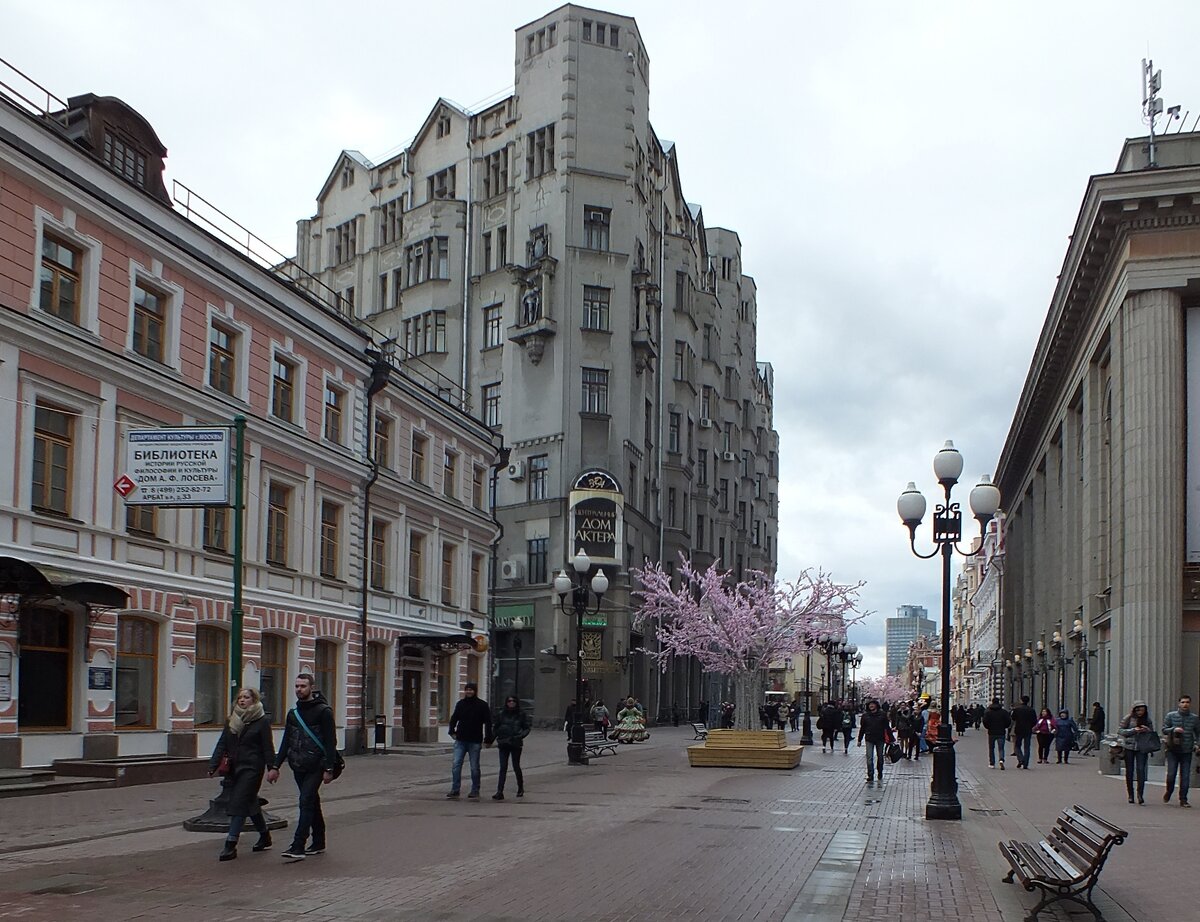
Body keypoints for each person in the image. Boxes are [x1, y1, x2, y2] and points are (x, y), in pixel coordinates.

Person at [267, 674, 337, 860]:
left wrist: (329, 768)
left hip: (316, 765)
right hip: (297, 764)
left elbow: (331, 742)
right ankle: (319, 842)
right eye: (297, 686)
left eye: (303, 686)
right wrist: (276, 765)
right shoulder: (293, 714)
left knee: (305, 801)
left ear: (312, 687)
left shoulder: (324, 712)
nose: (299, 689)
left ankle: (298, 845)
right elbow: (286, 742)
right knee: (311, 802)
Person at [208, 687, 274, 861]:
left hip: (252, 768)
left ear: (254, 700)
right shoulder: (232, 720)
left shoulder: (261, 721)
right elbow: (222, 743)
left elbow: (268, 747)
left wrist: (272, 768)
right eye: (240, 698)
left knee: (238, 803)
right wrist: (213, 765)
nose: (242, 700)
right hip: (234, 768)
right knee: (249, 802)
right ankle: (265, 836)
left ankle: (230, 845)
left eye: (246, 697)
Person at [447, 682, 494, 799]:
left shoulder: (482, 705)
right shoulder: (461, 704)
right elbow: (454, 718)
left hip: (475, 740)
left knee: (474, 767)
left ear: (475, 691)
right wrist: (451, 731)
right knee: (456, 765)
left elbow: (488, 722)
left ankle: (475, 789)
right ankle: (455, 789)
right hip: (460, 739)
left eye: (471, 690)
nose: (469, 692)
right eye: (467, 689)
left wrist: (488, 739)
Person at [1161, 694, 1200, 807]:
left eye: (1187, 702)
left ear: (1190, 704)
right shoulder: (1171, 716)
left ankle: (1183, 799)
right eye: (1183, 702)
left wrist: (1198, 744)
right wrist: (1174, 729)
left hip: (1187, 750)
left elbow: (1198, 733)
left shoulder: (1194, 718)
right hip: (1172, 749)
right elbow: (1164, 729)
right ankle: (1169, 791)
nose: (1185, 704)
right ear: (1179, 704)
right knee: (1171, 774)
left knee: (1186, 775)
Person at [1118, 700, 1156, 805]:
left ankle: (1140, 794)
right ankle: (1130, 794)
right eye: (1138, 710)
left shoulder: (1147, 719)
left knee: (1141, 770)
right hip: (1129, 747)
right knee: (1129, 771)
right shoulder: (1128, 718)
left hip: (1142, 747)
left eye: (1143, 710)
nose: (1140, 712)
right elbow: (1121, 731)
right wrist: (1134, 730)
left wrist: (1146, 730)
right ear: (1134, 710)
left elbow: (1152, 733)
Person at [492, 695, 530, 800]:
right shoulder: (501, 714)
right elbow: (496, 728)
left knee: (516, 766)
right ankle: (499, 791)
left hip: (515, 743)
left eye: (513, 701)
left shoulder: (521, 714)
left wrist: (520, 736)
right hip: (504, 743)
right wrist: (491, 739)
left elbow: (526, 728)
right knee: (503, 767)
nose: (511, 703)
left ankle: (520, 787)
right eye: (509, 701)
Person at [857, 699, 890, 786]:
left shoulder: (882, 715)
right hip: (869, 738)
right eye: (869, 705)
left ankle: (880, 771)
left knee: (880, 756)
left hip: (880, 738)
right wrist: (859, 740)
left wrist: (891, 739)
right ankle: (870, 775)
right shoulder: (865, 716)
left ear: (876, 705)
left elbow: (887, 727)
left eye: (872, 704)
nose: (871, 706)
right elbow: (862, 728)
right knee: (869, 757)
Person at [981, 697, 1012, 770]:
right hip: (1001, 732)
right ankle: (1001, 759)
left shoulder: (988, 712)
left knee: (991, 748)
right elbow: (1008, 721)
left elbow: (985, 721)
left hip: (991, 732)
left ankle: (992, 763)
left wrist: (988, 727)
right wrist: (1005, 726)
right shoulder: (1004, 712)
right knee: (1001, 748)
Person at [1009, 696, 1037, 769]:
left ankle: (1021, 759)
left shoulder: (1017, 709)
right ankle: (1025, 763)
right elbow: (1034, 721)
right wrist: (1030, 726)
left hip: (1018, 729)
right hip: (1028, 730)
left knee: (1017, 746)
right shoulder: (1031, 710)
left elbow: (1013, 718)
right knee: (1027, 747)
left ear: (1021, 700)